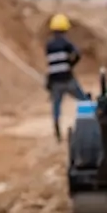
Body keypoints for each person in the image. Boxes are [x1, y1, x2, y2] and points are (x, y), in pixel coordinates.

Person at [44, 13, 90, 142]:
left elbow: (50, 65)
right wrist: (71, 64)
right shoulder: (66, 43)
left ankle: (57, 128)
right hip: (68, 78)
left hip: (55, 81)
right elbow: (77, 54)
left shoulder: (49, 46)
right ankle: (92, 121)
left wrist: (48, 83)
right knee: (84, 100)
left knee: (56, 106)